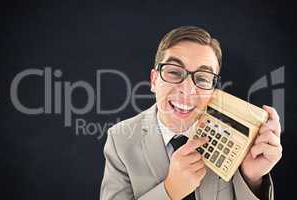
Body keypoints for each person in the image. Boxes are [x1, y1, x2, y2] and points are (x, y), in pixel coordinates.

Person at [100, 26, 282, 200]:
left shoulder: (237, 136)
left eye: (202, 78)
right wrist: (169, 191)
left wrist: (252, 179)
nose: (187, 90)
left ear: (213, 89)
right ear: (154, 80)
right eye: (174, 72)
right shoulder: (120, 141)